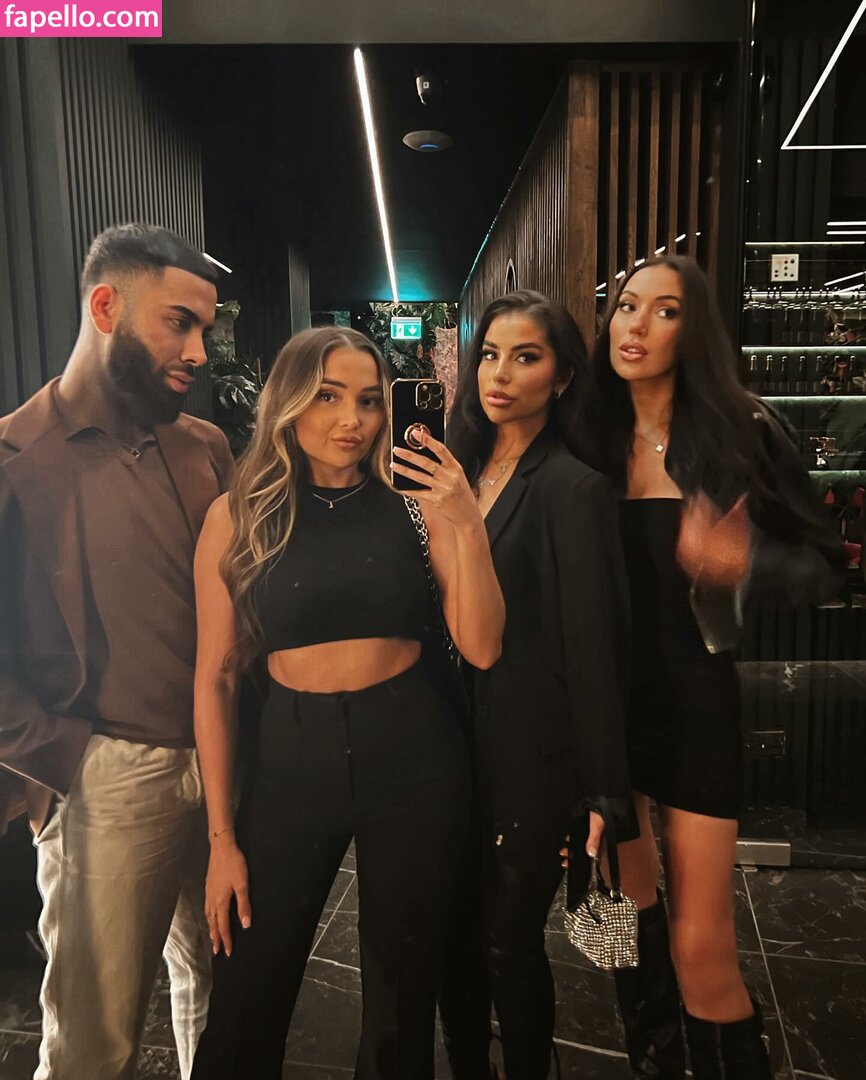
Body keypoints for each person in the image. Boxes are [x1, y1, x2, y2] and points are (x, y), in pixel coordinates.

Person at [189, 326, 504, 1079]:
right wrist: (222, 840)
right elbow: (216, 679)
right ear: (288, 403)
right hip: (289, 760)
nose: (351, 420)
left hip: (415, 756)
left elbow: (484, 646)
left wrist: (466, 520)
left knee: (400, 1002)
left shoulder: (417, 505)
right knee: (248, 988)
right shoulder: (239, 516)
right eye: (327, 397)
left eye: (368, 400)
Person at [584, 255, 845, 1080]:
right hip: (604, 713)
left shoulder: (743, 431)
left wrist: (745, 565)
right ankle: (654, 1060)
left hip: (696, 706)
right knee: (625, 926)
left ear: (693, 331)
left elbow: (827, 566)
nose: (636, 324)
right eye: (627, 305)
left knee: (702, 947)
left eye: (664, 311)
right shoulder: (584, 434)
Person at [0, 223, 233, 1079]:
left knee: (220, 995)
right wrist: (56, 760)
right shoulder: (14, 459)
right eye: (180, 323)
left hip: (223, 763)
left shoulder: (204, 446)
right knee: (94, 1046)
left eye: (205, 328)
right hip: (106, 777)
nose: (200, 351)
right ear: (106, 307)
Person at [439, 291, 633, 1079]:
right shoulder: (456, 471)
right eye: (489, 354)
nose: (500, 373)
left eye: (526, 357)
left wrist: (603, 788)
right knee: (451, 938)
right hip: (446, 746)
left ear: (562, 377)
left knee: (508, 943)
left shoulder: (573, 488)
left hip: (533, 756)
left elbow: (595, 647)